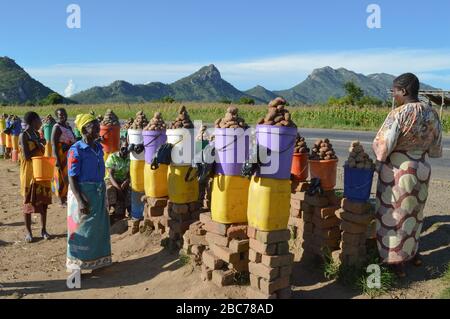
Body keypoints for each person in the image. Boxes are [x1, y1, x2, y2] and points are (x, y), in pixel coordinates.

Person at [372, 73, 443, 277]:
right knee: (414, 214)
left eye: (395, 91)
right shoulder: (431, 113)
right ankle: (414, 253)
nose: (393, 95)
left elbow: (383, 144)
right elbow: (436, 147)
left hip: (397, 169)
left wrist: (378, 161)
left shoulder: (399, 113)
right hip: (421, 169)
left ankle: (395, 261)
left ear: (404, 91)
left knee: (393, 215)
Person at [67, 114, 112, 272]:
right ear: (85, 129)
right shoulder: (76, 150)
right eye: (94, 125)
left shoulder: (98, 147)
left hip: (98, 192)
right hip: (83, 193)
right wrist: (80, 200)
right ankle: (77, 266)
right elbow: (71, 178)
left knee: (98, 229)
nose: (98, 128)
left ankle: (97, 262)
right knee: (81, 230)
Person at [19, 112, 52, 243]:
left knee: (43, 203)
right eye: (39, 120)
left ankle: (44, 230)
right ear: (33, 121)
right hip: (28, 173)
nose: (40, 123)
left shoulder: (36, 134)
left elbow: (41, 152)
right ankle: (28, 232)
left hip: (40, 171)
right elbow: (27, 156)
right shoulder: (24, 135)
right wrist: (38, 145)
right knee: (28, 203)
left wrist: (42, 144)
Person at [51, 108, 76, 207]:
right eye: (60, 115)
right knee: (61, 176)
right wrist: (57, 158)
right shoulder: (56, 127)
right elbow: (54, 144)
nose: (63, 116)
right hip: (61, 155)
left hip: (70, 154)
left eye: (64, 114)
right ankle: (61, 200)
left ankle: (67, 197)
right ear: (57, 116)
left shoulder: (68, 127)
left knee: (69, 175)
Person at [105, 139, 131, 223]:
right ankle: (110, 210)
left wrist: (127, 181)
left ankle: (128, 211)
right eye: (123, 148)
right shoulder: (113, 157)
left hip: (122, 181)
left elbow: (130, 174)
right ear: (119, 148)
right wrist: (118, 188)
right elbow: (110, 175)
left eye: (127, 148)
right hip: (111, 181)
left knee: (130, 190)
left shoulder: (130, 159)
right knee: (111, 190)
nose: (125, 150)